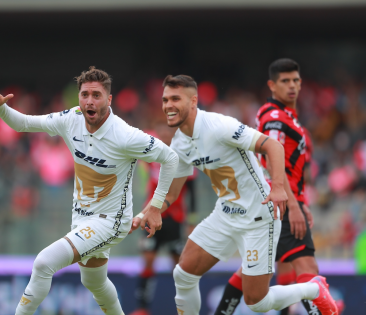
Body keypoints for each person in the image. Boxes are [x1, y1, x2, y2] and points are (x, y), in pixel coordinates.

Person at [0, 66, 179, 315]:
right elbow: (24, 124)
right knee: (93, 281)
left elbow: (170, 158)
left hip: (110, 222)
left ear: (109, 99)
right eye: (85, 95)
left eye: (96, 95)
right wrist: (0, 107)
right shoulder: (71, 119)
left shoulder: (126, 136)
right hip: (82, 219)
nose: (89, 101)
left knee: (43, 263)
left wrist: (155, 206)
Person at [131, 74, 338, 315]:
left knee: (256, 302)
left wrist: (279, 187)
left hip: (258, 218)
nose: (168, 105)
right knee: (183, 273)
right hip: (225, 214)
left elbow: (273, 146)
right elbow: (171, 193)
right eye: (165, 99)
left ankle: (313, 289)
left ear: (193, 101)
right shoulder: (180, 143)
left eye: (175, 99)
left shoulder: (220, 126)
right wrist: (149, 211)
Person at [213, 58, 343, 315]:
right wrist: (294, 206)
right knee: (308, 270)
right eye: (285, 81)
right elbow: (274, 165)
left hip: (276, 204)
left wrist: (301, 203)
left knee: (261, 268)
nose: (292, 86)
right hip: (280, 204)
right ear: (272, 85)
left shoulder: (290, 120)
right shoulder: (275, 118)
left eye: (295, 80)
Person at [129, 125, 197, 315]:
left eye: (169, 134)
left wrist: (191, 221)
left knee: (179, 267)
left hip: (174, 218)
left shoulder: (183, 158)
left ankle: (184, 307)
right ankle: (142, 309)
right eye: (163, 134)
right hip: (151, 215)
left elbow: (192, 192)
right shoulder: (151, 158)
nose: (166, 137)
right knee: (148, 261)